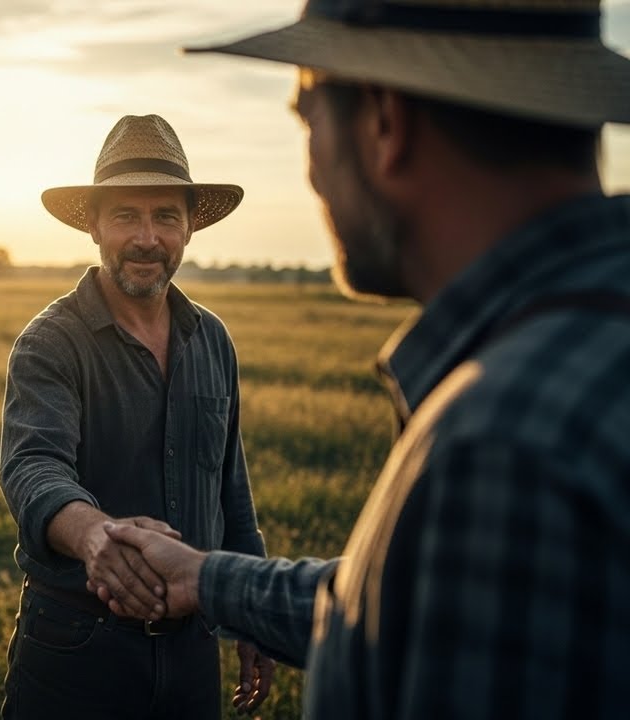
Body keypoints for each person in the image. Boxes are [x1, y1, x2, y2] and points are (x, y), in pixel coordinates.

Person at [96, 0, 630, 718]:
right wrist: (210, 579)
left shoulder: (501, 449)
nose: (310, 165)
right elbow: (413, 605)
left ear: (384, 122)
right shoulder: (589, 342)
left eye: (307, 112)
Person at [0, 113, 275, 719]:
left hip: (194, 652)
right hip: (77, 649)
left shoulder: (213, 339)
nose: (147, 237)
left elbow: (231, 490)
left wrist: (252, 609)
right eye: (126, 215)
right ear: (94, 225)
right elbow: (33, 467)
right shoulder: (52, 342)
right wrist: (95, 535)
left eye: (165, 216)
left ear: (189, 229)